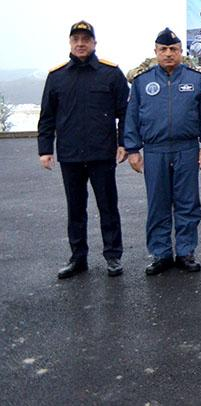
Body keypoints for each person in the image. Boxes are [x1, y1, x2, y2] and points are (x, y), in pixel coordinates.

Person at [38, 21, 129, 279]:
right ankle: (78, 258)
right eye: (76, 39)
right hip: (70, 155)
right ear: (70, 43)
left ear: (94, 43)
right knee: (75, 210)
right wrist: (45, 150)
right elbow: (47, 117)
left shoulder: (110, 73)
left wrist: (123, 142)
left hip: (102, 154)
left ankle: (113, 256)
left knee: (108, 207)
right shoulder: (56, 77)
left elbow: (125, 113)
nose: (80, 44)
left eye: (85, 40)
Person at [125, 28, 201, 275]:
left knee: (188, 203)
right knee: (158, 203)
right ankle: (161, 253)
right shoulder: (142, 82)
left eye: (173, 49)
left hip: (187, 149)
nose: (168, 54)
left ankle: (185, 251)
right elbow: (131, 117)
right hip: (155, 151)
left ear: (180, 52)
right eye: (163, 50)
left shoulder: (196, 79)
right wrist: (132, 149)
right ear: (155, 52)